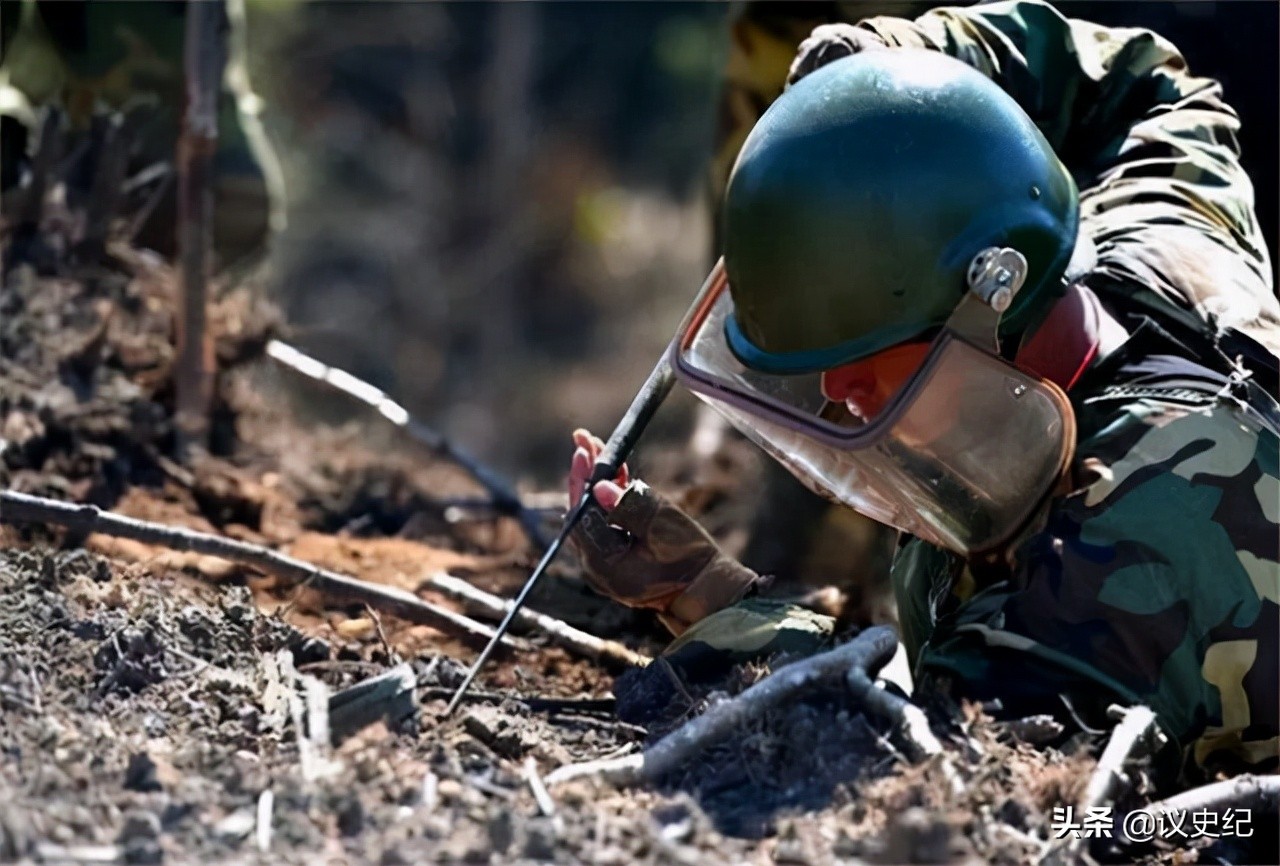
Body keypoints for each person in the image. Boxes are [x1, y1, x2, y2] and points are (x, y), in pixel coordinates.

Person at [568, 0, 1279, 778]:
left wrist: (724, 608)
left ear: (993, 293)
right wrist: (886, 54)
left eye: (869, 354)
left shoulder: (1126, 549)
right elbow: (1143, 86)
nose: (837, 392)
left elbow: (929, 768)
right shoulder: (1166, 240)